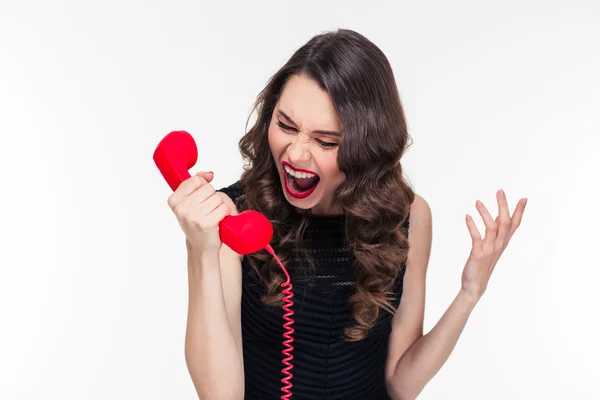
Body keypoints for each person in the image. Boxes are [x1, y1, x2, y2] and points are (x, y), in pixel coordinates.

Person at [167, 29, 527, 400]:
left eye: (327, 141)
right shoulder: (232, 218)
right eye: (286, 125)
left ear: (367, 148)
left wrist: (469, 294)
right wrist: (202, 251)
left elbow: (401, 385)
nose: (296, 155)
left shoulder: (410, 217)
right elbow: (220, 395)